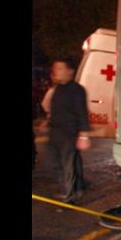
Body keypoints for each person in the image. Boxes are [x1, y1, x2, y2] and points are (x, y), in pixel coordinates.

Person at [45, 58, 91, 203]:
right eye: (55, 68)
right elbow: (56, 110)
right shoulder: (58, 88)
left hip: (69, 134)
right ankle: (77, 188)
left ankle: (69, 194)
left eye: (59, 68)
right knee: (62, 162)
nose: (55, 71)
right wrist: (47, 122)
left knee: (66, 165)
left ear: (70, 71)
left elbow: (82, 113)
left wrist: (84, 135)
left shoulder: (77, 90)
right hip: (56, 131)